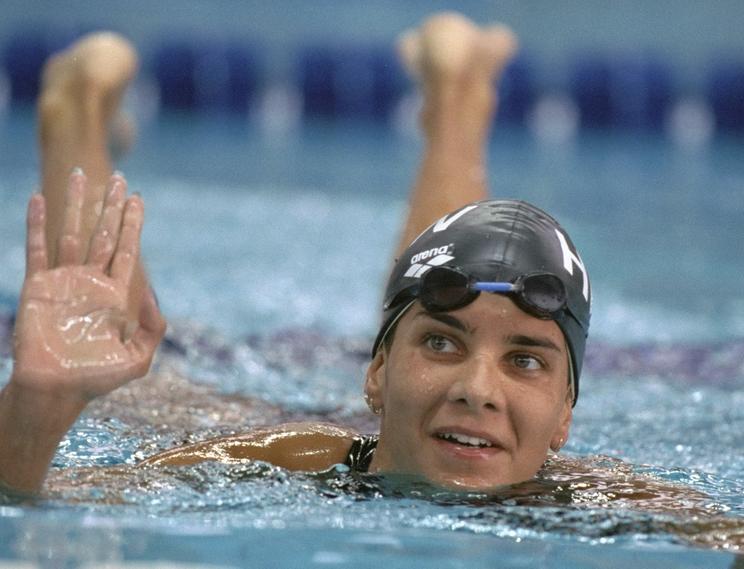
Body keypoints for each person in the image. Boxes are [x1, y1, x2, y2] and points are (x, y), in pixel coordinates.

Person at [2, 13, 583, 494]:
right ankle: (72, 110)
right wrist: (38, 404)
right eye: (440, 342)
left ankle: (458, 96)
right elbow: (56, 496)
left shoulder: (589, 496)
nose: (476, 389)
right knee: (142, 381)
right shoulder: (291, 458)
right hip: (310, 430)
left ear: (565, 414)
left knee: (441, 287)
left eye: (526, 360)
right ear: (376, 371)